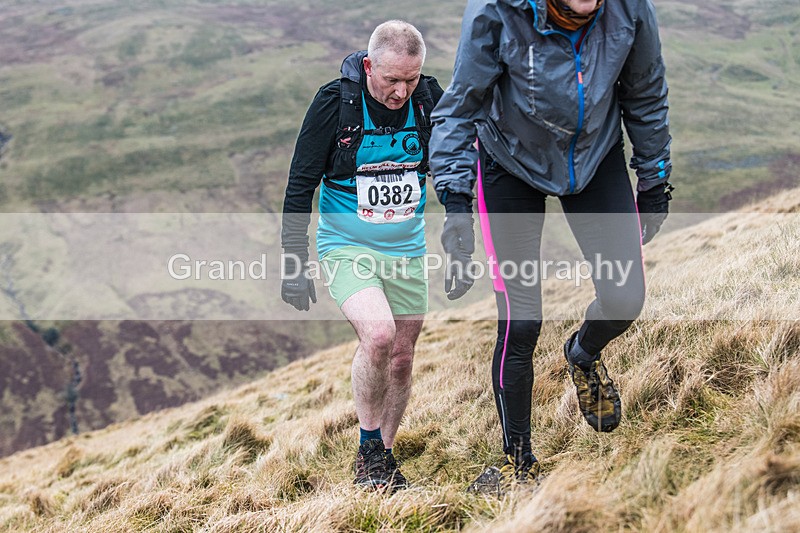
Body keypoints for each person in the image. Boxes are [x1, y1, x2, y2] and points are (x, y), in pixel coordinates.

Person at [430, 0, 674, 489]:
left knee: (625, 298)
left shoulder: (630, 11)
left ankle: (583, 352)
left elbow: (645, 96)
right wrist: (457, 202)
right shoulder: (496, 12)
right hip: (507, 163)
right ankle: (521, 465)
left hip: (595, 157)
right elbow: (459, 108)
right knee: (522, 321)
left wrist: (654, 181)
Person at [280, 20, 443, 491]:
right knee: (378, 336)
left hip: (407, 247)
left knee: (402, 357)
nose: (401, 92)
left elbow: (454, 170)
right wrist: (295, 262)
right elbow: (300, 185)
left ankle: (383, 461)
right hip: (346, 244)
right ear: (369, 66)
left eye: (410, 80)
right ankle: (368, 447)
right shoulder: (335, 104)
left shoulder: (429, 102)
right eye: (392, 79)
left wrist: (461, 234)